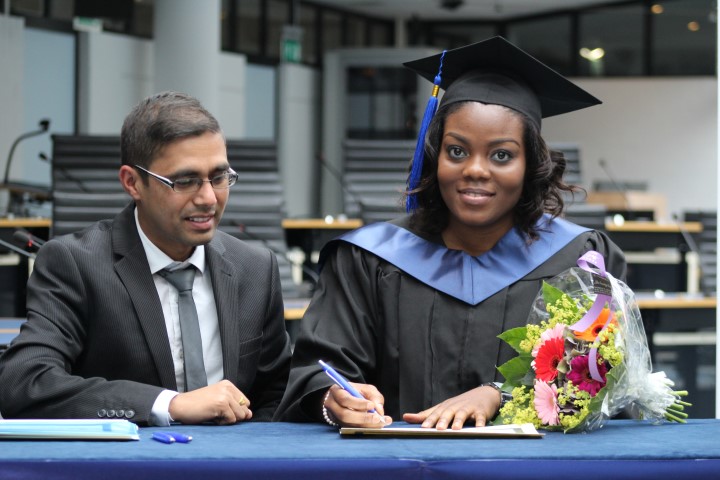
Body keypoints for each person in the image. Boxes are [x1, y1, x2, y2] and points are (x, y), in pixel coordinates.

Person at [275, 37, 626, 430]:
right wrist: (334, 399)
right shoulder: (369, 258)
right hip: (396, 466)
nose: (475, 169)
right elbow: (316, 372)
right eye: (457, 151)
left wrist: (501, 394)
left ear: (531, 165)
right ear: (434, 155)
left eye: (502, 155)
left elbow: (605, 382)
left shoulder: (580, 258)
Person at [0, 92, 292, 425]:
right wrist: (168, 405)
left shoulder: (255, 268)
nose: (209, 197)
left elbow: (277, 394)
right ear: (132, 183)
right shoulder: (75, 265)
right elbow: (24, 383)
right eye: (185, 181)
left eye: (220, 177)